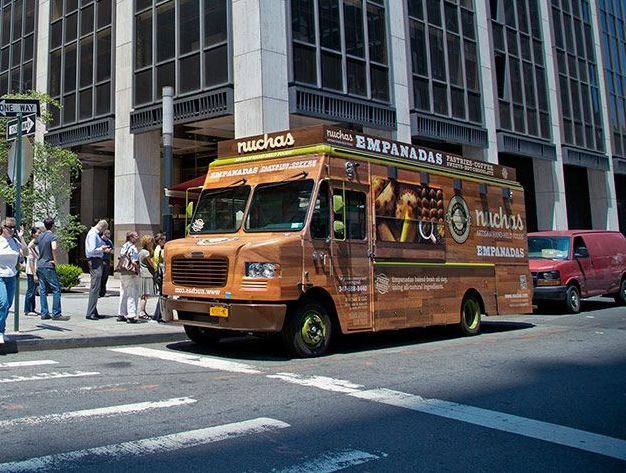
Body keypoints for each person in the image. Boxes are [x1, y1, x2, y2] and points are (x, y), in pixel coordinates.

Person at [0, 217, 28, 344]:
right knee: (3, 303)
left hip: (11, 276)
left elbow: (26, 252)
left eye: (13, 227)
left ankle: (2, 329)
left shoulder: (15, 241)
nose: (11, 230)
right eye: (8, 227)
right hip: (0, 276)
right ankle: (0, 331)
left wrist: (21, 237)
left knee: (8, 305)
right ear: (3, 228)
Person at [36, 217, 69, 321]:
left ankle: (44, 313)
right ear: (53, 225)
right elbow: (54, 248)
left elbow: (31, 245)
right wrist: (55, 261)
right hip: (48, 265)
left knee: (43, 290)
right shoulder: (52, 236)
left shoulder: (40, 236)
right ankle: (56, 313)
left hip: (40, 265)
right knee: (56, 289)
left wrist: (39, 257)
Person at [84, 219, 111, 320]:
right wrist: (102, 249)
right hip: (95, 261)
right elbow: (91, 251)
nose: (103, 232)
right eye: (104, 229)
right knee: (95, 287)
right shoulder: (93, 234)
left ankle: (93, 311)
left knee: (96, 286)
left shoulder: (94, 234)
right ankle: (90, 312)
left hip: (97, 260)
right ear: (102, 227)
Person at [117, 231, 141, 323]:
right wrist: (138, 271)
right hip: (131, 273)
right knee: (132, 293)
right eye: (135, 236)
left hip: (123, 272)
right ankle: (131, 315)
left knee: (123, 292)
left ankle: (121, 313)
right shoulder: (133, 248)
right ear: (131, 237)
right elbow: (134, 262)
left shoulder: (124, 246)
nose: (137, 237)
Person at [138, 234, 157, 320]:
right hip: (147, 274)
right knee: (145, 295)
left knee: (144, 295)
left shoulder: (141, 251)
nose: (152, 243)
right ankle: (142, 312)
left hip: (143, 274)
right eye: (151, 241)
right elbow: (152, 264)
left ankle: (143, 311)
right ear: (148, 243)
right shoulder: (146, 253)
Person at [24, 226, 41, 316]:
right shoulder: (31, 245)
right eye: (38, 233)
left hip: (35, 270)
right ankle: (27, 309)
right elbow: (30, 261)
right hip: (31, 271)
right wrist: (34, 274)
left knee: (33, 290)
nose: (39, 234)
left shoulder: (36, 244)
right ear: (33, 234)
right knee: (30, 291)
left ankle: (32, 309)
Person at [99, 229, 113, 297]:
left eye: (109, 236)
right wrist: (104, 250)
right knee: (100, 276)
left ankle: (103, 292)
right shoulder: (99, 241)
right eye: (106, 237)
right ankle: (98, 292)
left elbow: (112, 250)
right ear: (103, 235)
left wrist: (110, 251)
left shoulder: (109, 242)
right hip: (101, 260)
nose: (107, 238)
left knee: (105, 277)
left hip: (107, 260)